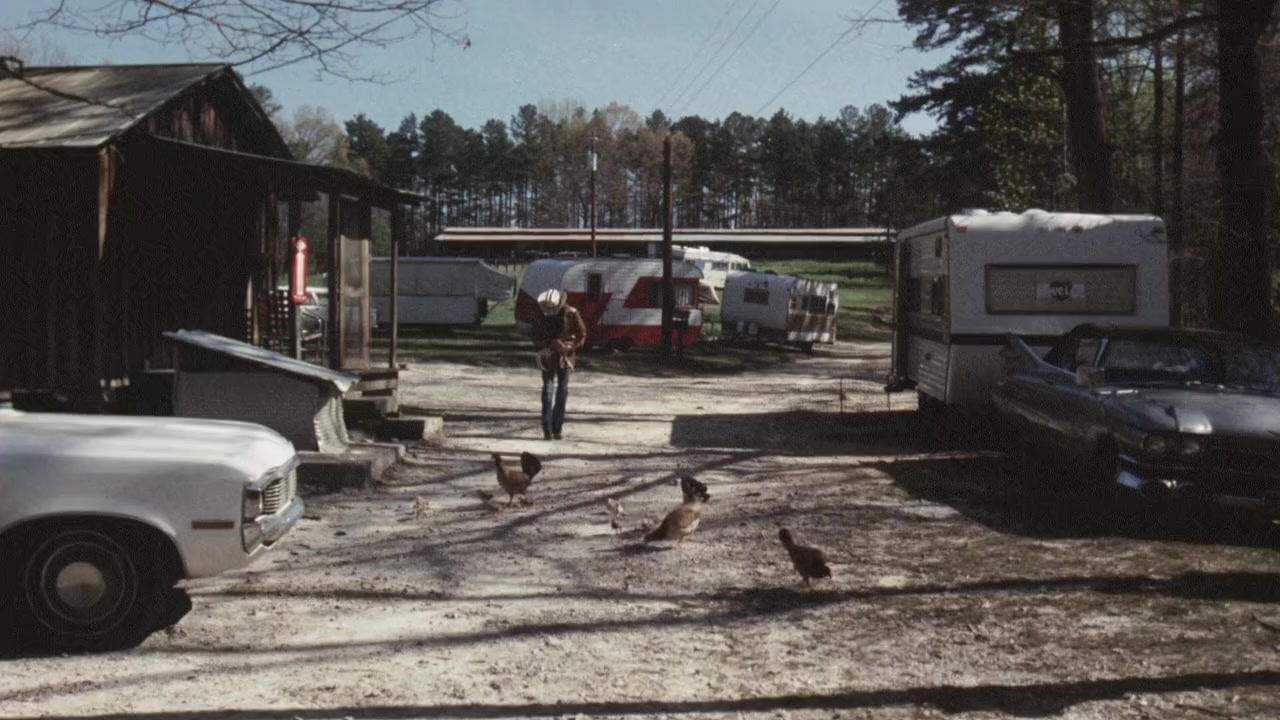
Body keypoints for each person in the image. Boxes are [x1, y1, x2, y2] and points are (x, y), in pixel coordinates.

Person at [531, 288, 587, 440]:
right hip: (548, 358)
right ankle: (547, 429)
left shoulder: (571, 314)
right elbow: (534, 336)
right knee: (548, 392)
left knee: (562, 391)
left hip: (564, 358)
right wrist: (549, 343)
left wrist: (569, 346)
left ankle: (557, 428)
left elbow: (582, 335)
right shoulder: (540, 314)